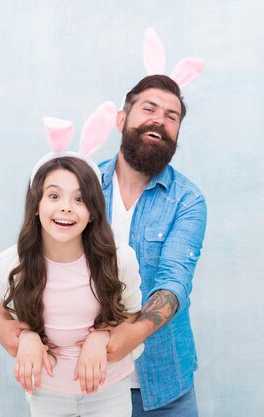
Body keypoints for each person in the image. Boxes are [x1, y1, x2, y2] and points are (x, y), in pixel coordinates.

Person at [0, 156, 142, 417]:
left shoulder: (119, 260)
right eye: (53, 196)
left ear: (93, 212)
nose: (66, 208)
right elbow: (9, 316)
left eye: (80, 198)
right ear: (36, 206)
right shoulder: (12, 264)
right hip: (46, 393)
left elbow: (132, 314)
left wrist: (102, 337)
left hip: (109, 392)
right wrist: (25, 337)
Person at [97, 74, 207, 416]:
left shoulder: (187, 201)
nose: (159, 119)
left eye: (171, 116)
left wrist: (131, 335)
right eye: (149, 108)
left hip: (165, 391)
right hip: (88, 386)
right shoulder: (81, 189)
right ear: (121, 119)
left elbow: (174, 281)